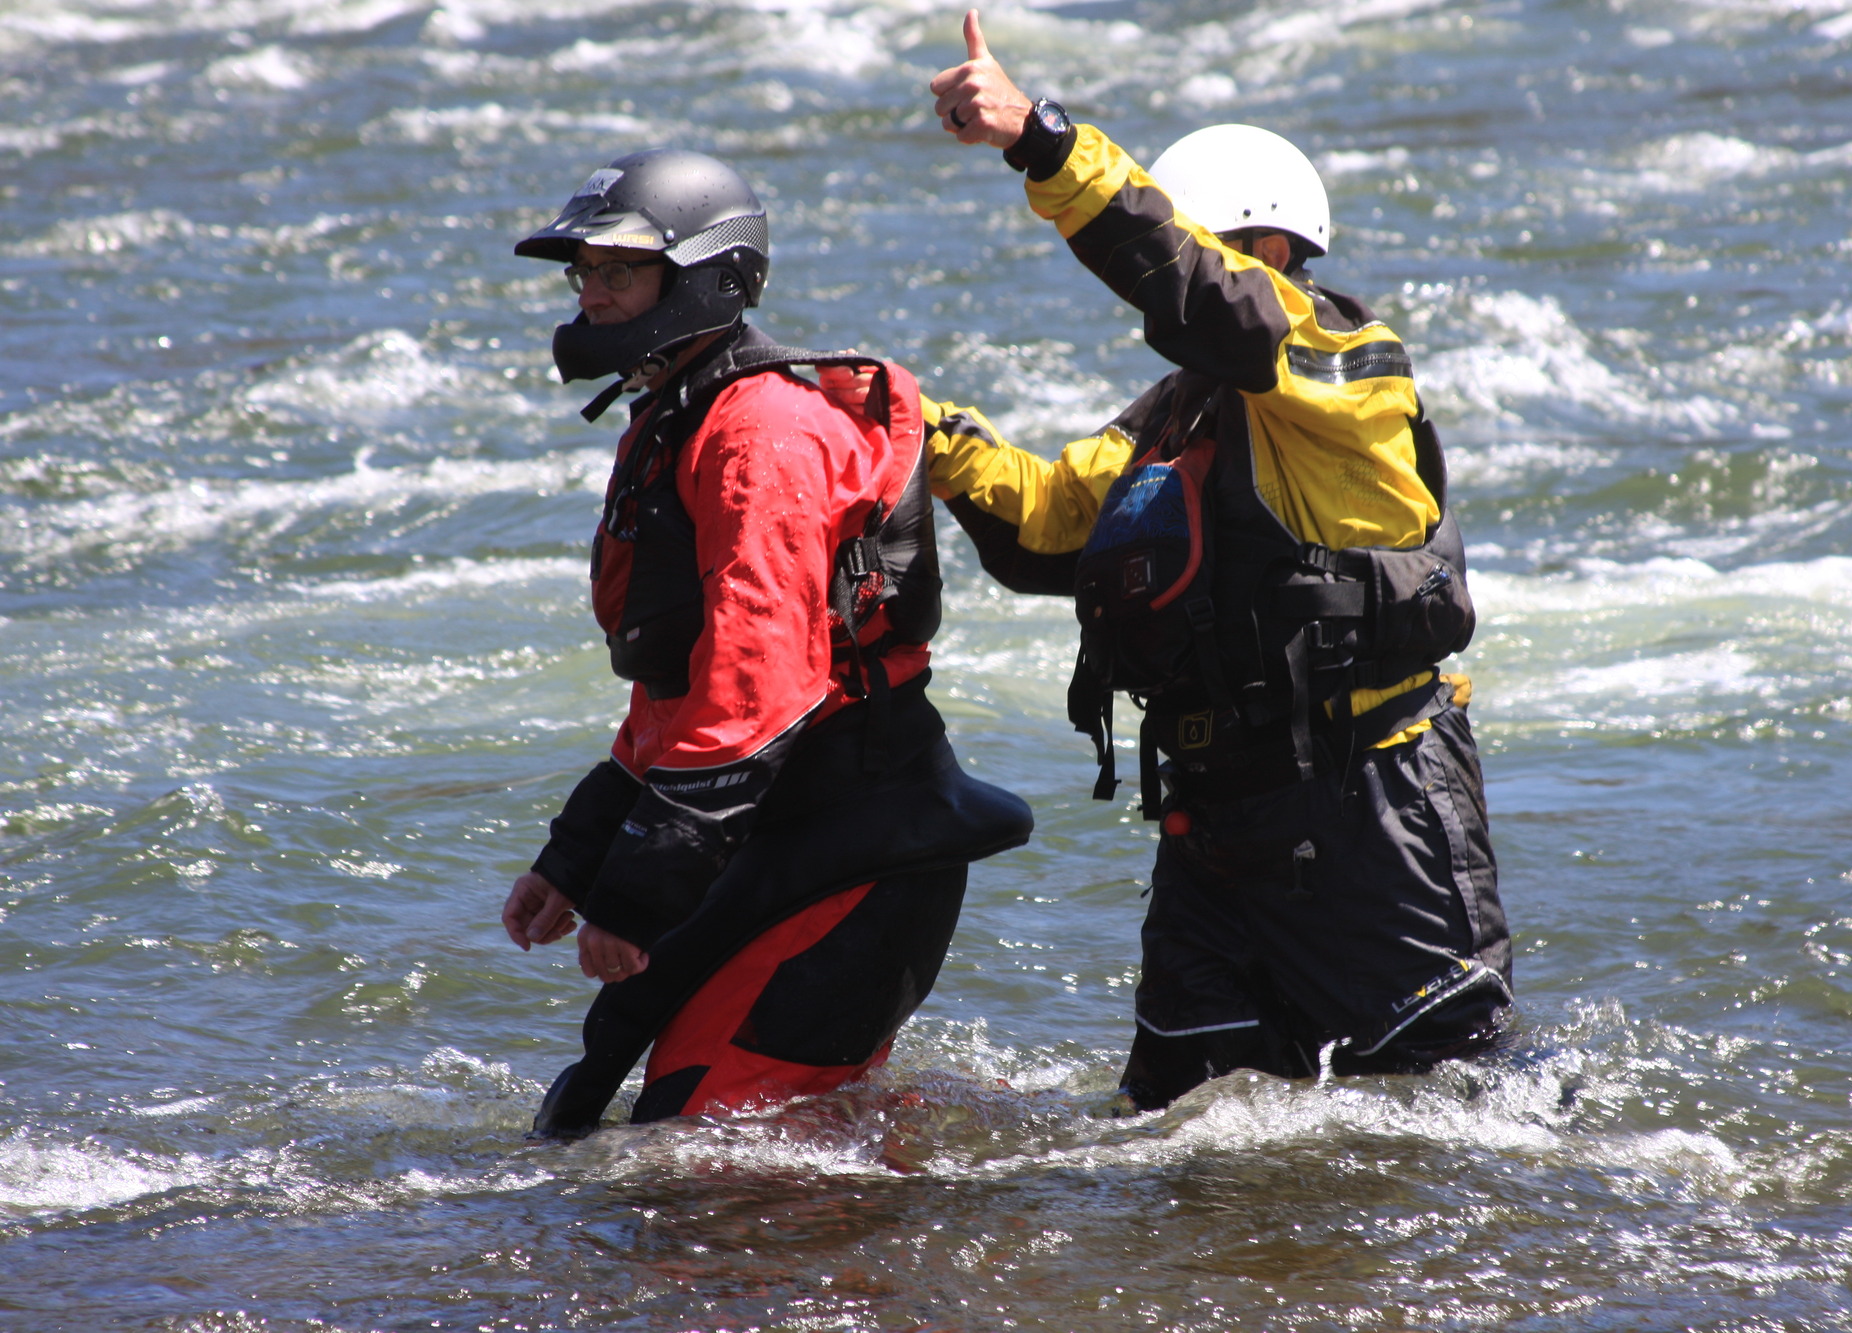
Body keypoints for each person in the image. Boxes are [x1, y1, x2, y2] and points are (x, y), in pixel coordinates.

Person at [917, 12, 1513, 1112]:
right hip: (1214, 826)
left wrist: (1040, 141)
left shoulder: (1344, 363)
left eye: (1195, 244)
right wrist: (926, 433)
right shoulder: (1172, 417)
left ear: (1272, 254)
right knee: (1178, 1125)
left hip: (1368, 805)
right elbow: (1051, 521)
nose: (1168, 275)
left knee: (1451, 1118)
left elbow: (1202, 294)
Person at [500, 145, 1031, 1137]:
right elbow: (683, 693)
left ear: (705, 274)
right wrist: (576, 859)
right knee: (591, 1123)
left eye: (620, 269)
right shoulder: (678, 415)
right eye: (587, 273)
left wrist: (635, 893)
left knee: (707, 1161)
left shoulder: (761, 437)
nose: (593, 294)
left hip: (855, 848)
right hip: (771, 835)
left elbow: (755, 696)